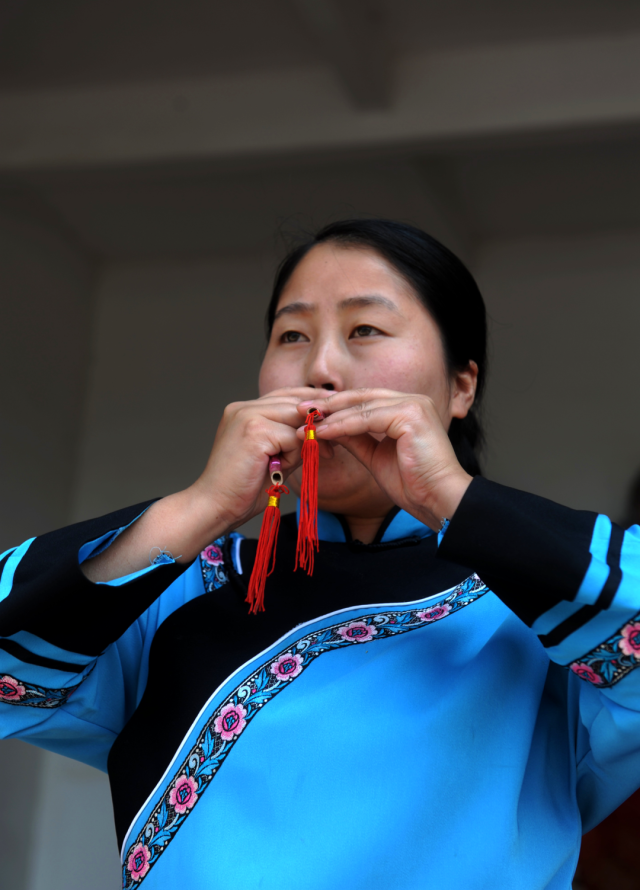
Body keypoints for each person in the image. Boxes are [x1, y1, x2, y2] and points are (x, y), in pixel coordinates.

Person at [1, 219, 639, 890]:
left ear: (461, 387)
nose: (321, 369)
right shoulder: (180, 591)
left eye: (365, 329)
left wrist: (452, 498)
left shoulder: (539, 613)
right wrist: (202, 507)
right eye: (292, 336)